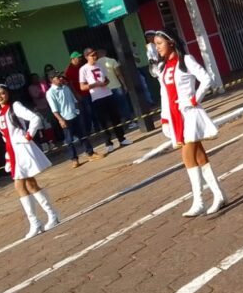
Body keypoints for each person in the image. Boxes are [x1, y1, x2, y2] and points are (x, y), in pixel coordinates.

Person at [147, 30, 225, 217]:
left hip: (188, 114)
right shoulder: (163, 67)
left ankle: (198, 200)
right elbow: (164, 94)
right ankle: (219, 195)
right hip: (175, 117)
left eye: (160, 43)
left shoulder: (186, 60)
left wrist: (194, 99)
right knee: (199, 156)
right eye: (155, 44)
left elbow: (206, 79)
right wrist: (164, 118)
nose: (157, 48)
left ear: (171, 42)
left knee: (187, 155)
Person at [0, 84, 61, 239]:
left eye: (2, 93)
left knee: (20, 184)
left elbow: (35, 118)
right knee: (30, 184)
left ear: (8, 94)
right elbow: (5, 137)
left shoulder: (15, 106)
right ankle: (50, 215)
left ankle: (39, 220)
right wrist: (8, 157)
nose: (0, 97)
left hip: (22, 148)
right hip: (12, 151)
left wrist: (29, 135)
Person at [47, 71, 105, 168]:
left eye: (60, 77)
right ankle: (74, 159)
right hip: (65, 118)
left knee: (83, 136)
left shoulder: (66, 87)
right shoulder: (50, 93)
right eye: (57, 77)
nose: (60, 79)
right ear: (51, 80)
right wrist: (60, 120)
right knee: (69, 140)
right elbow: (54, 109)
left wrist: (78, 111)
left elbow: (74, 100)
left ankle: (90, 153)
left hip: (75, 115)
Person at [79, 48, 131, 152]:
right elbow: (82, 87)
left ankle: (121, 138)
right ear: (86, 57)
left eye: (95, 55)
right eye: (92, 55)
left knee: (115, 117)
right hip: (97, 97)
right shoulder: (83, 69)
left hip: (108, 93)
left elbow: (106, 79)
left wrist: (105, 83)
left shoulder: (100, 65)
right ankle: (108, 143)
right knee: (103, 121)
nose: (94, 57)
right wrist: (95, 85)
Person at [97, 48, 137, 131]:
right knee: (123, 105)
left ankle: (118, 125)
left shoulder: (96, 64)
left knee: (112, 108)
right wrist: (124, 85)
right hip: (116, 86)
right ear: (105, 52)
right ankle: (130, 122)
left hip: (105, 89)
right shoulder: (112, 61)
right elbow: (118, 74)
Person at [65, 51, 96, 135]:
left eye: (80, 57)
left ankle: (94, 128)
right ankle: (87, 131)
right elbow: (70, 85)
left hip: (87, 92)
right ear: (73, 59)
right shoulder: (68, 71)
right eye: (78, 58)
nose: (80, 59)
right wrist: (76, 95)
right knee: (83, 113)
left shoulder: (81, 67)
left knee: (91, 111)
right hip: (79, 95)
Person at [26, 74, 59, 152]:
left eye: (37, 78)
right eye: (35, 78)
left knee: (52, 124)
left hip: (48, 107)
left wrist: (44, 86)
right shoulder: (31, 88)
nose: (36, 79)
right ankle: (49, 143)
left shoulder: (41, 85)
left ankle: (54, 140)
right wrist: (43, 87)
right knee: (45, 126)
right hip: (40, 109)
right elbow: (38, 95)